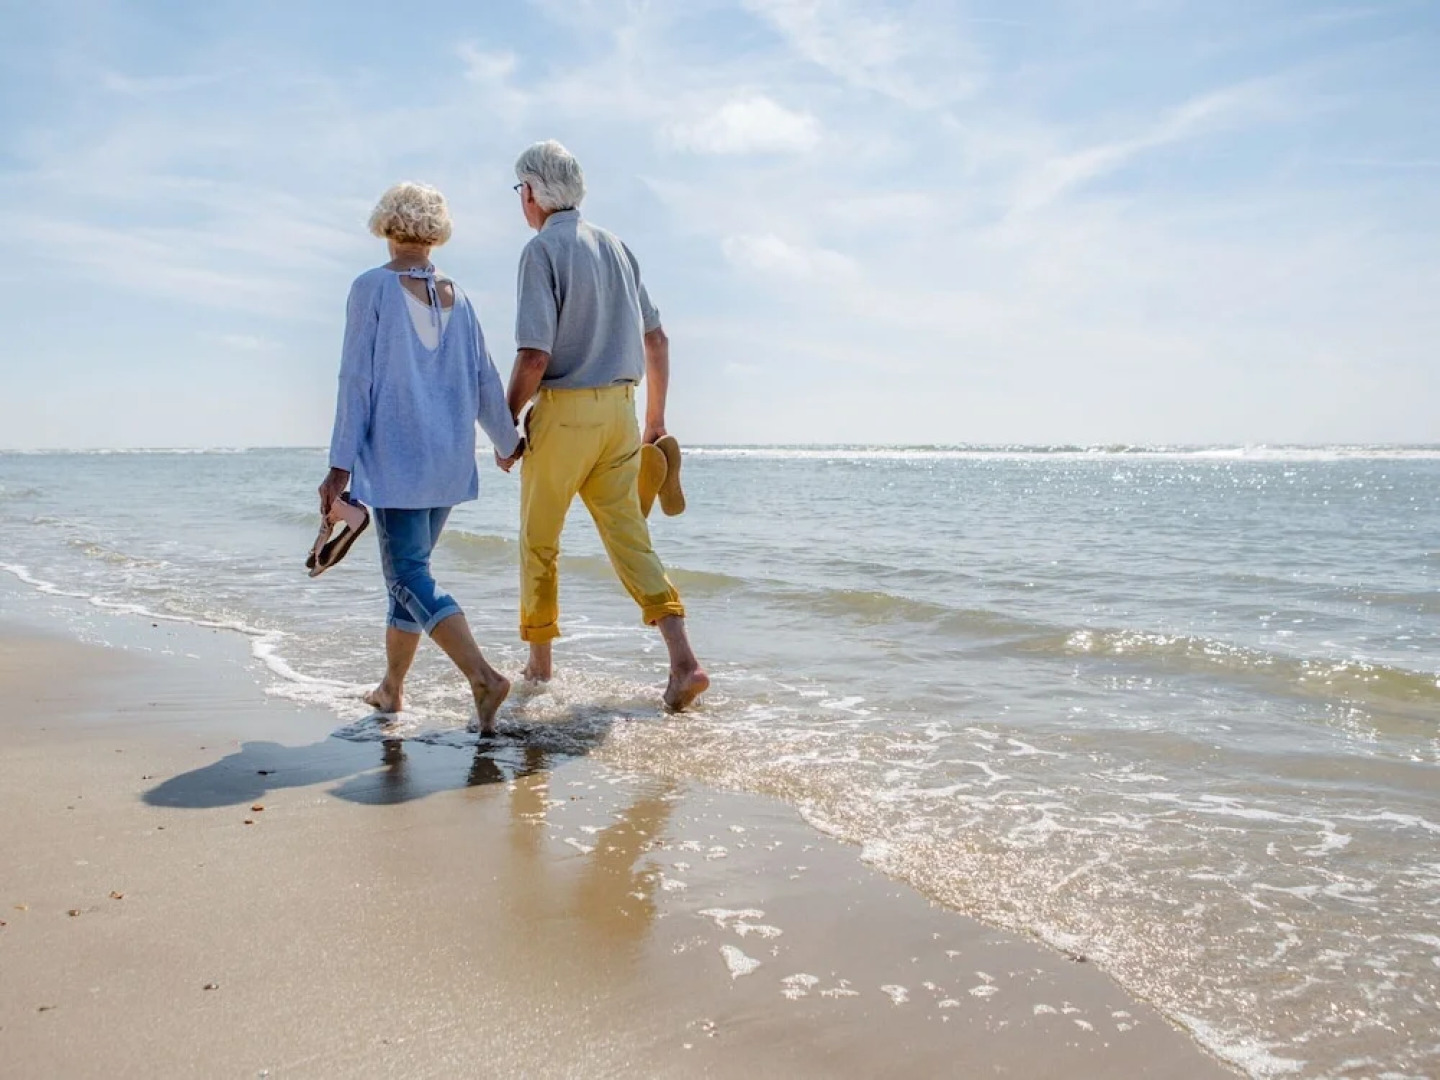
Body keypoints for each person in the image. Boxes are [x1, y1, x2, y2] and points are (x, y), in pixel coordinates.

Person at [503, 140, 709, 712]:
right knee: (628, 536)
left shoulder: (541, 251)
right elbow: (658, 339)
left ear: (532, 193)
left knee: (539, 540)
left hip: (565, 413)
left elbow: (535, 355)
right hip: (621, 412)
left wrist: (505, 422)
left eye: (519, 191)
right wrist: (655, 423)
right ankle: (684, 661)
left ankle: (540, 670)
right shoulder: (617, 247)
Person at [319, 181, 523, 735]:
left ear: (386, 225)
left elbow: (354, 379)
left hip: (399, 458)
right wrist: (506, 443)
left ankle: (483, 677)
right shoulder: (462, 295)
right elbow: (486, 379)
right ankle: (391, 688)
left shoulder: (371, 288)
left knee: (407, 574)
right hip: (449, 460)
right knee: (411, 575)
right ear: (436, 233)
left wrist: (340, 465)